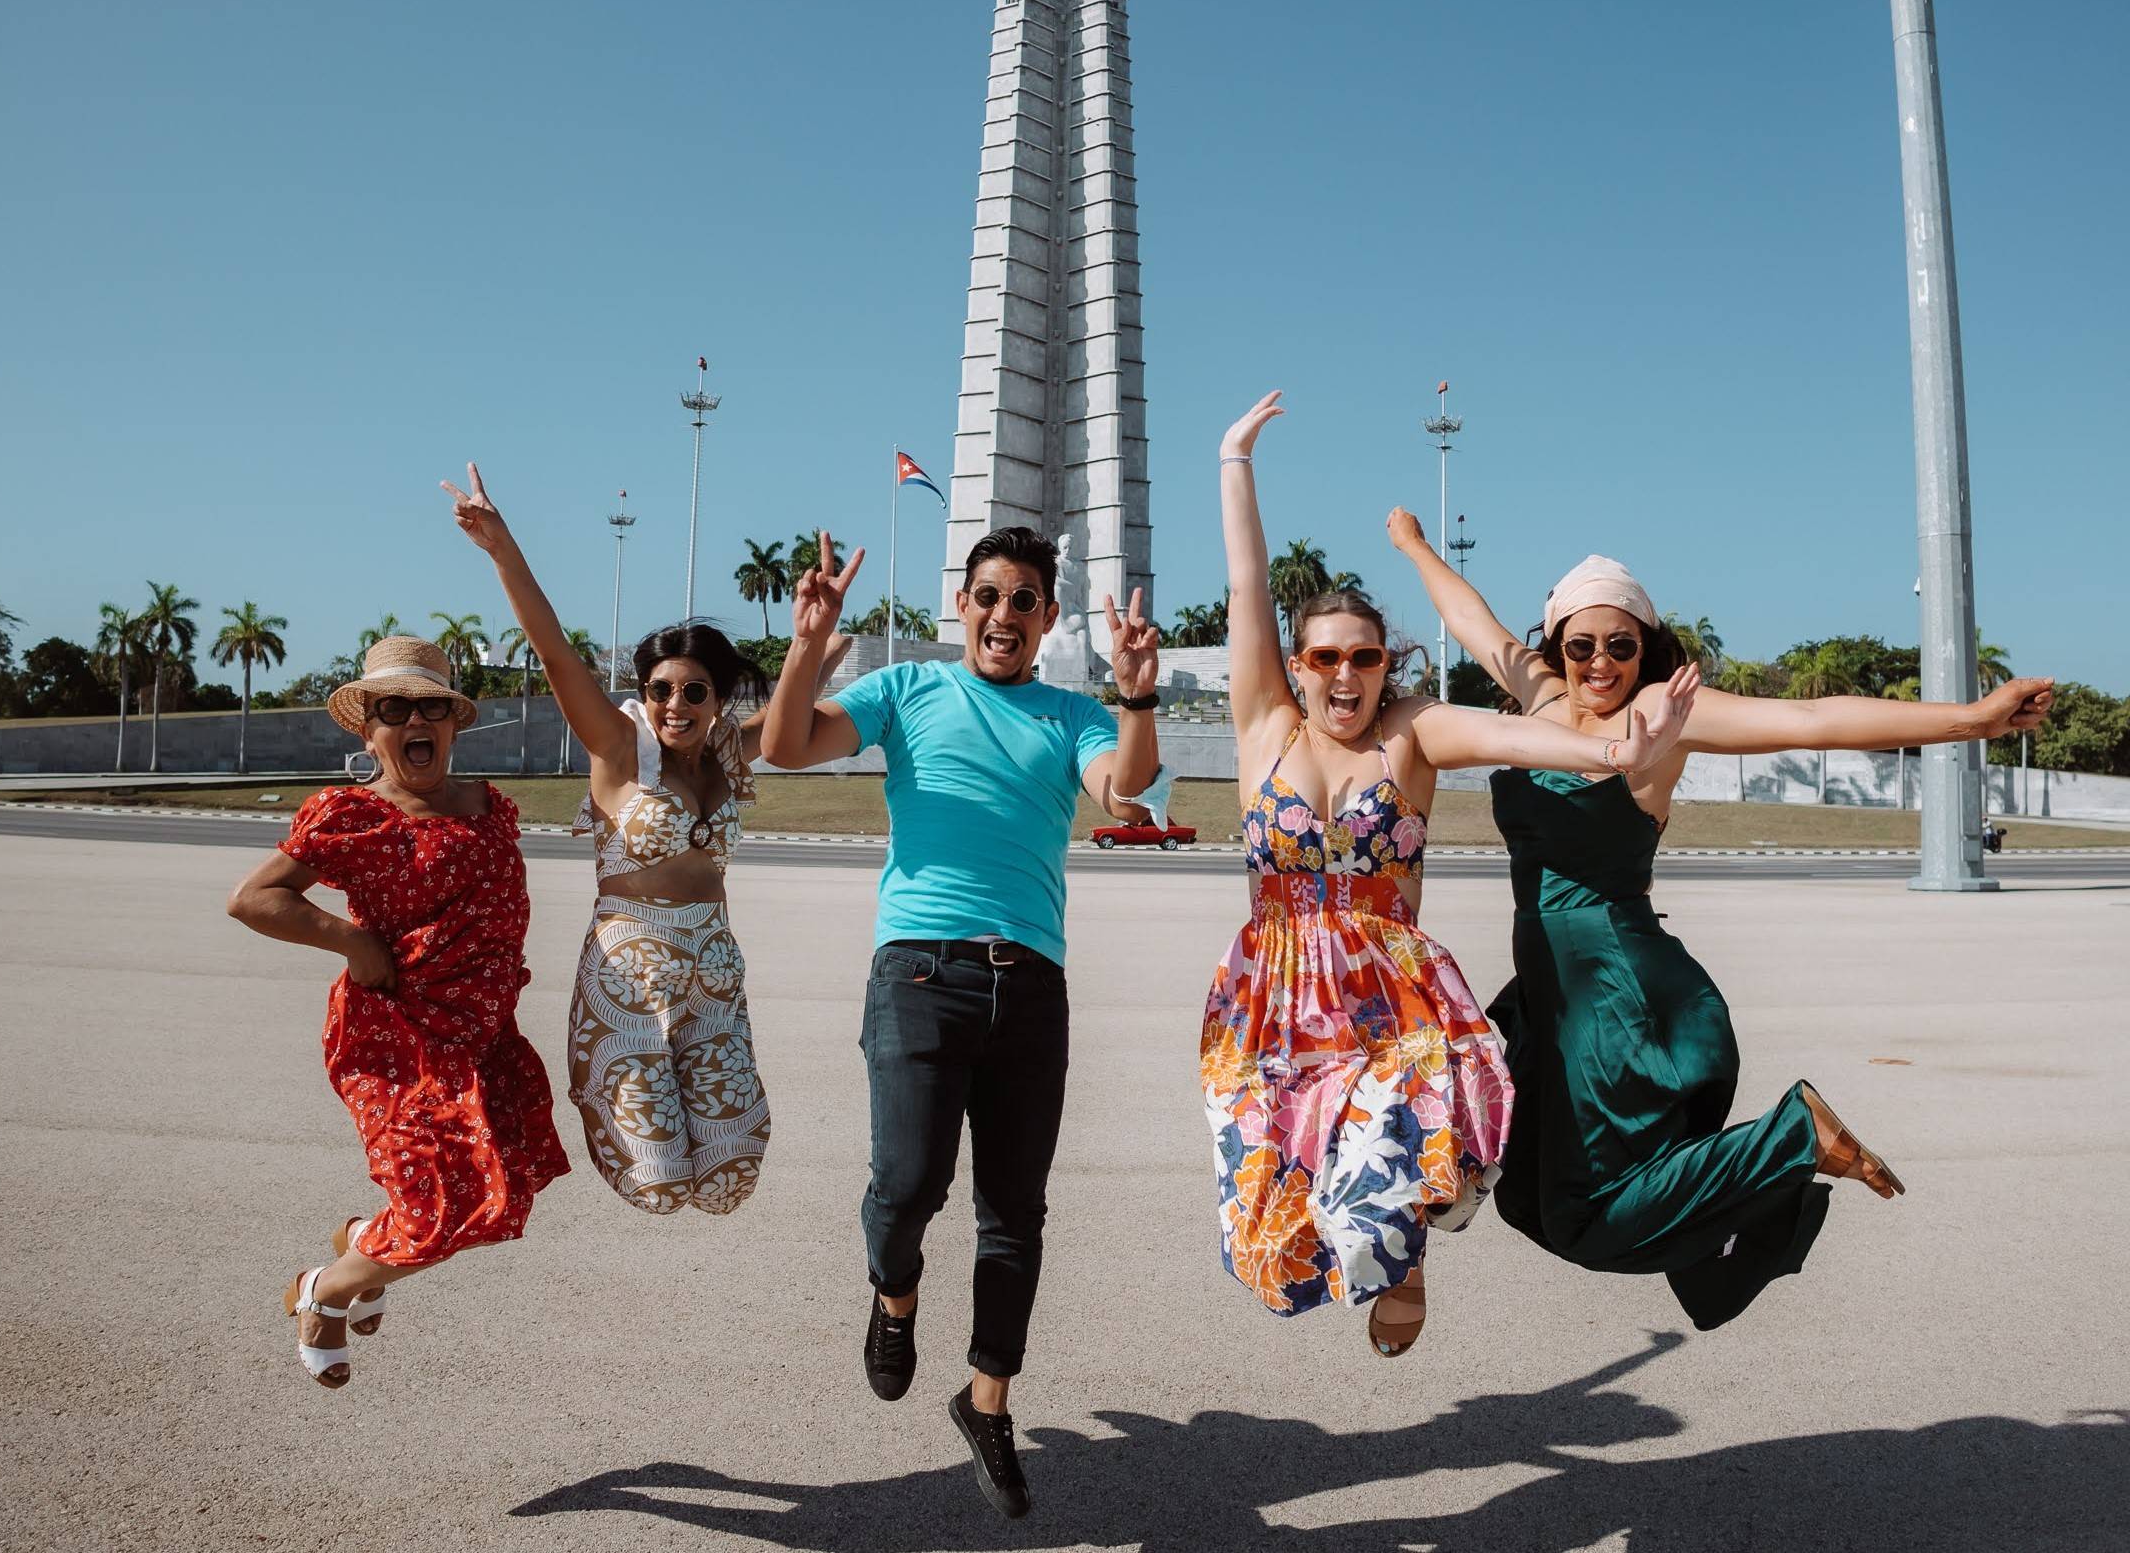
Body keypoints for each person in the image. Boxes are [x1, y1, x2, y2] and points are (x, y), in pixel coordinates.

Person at [1393, 512, 2053, 1329]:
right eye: (1581, 644)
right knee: (1528, 1203)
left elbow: (1815, 722)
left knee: (1581, 1215)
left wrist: (1973, 720)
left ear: (1648, 645)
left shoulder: (1670, 717)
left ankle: (1792, 1138)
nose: (1601, 662)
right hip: (1552, 990)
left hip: (1614, 989)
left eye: (1621, 645)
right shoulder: (1540, 700)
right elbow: (1472, 621)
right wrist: (1416, 547)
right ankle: (1777, 1152)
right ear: (1558, 645)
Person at [1209, 394, 1699, 1359]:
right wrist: (1236, 464)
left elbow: (1529, 737)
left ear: (1387, 662)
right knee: (1271, 1233)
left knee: (1392, 1160)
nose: (1345, 675)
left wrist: (1621, 754)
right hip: (1273, 994)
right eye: (1325, 657)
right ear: (1298, 666)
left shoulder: (1415, 731)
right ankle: (1382, 1242)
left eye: (1366, 657)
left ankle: (1410, 1254)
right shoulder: (1263, 725)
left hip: (1389, 989)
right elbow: (1243, 585)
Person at [761, 525, 1163, 1520]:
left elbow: (1129, 785)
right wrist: (810, 641)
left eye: (1025, 599)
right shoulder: (907, 692)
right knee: (907, 1186)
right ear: (964, 605)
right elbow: (784, 747)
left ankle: (988, 1402)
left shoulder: (1072, 715)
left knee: (1013, 1210)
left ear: (1046, 619)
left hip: (1030, 982)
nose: (1004, 615)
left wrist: (1137, 692)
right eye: (990, 595)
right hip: (920, 971)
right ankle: (894, 1298)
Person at [444, 463, 838, 1216]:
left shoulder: (730, 752)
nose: (674, 703)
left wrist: (809, 642)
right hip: (631, 979)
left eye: (694, 690)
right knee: (655, 1184)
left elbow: (794, 710)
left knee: (728, 1184)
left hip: (714, 973)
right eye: (659, 689)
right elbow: (557, 654)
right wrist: (504, 550)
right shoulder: (620, 753)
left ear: (718, 698)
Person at [227, 636, 569, 1387]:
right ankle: (323, 1290)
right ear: (368, 730)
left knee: (496, 1204)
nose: (416, 719)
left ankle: (360, 1242)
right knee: (437, 1209)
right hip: (398, 1038)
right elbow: (254, 899)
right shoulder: (353, 814)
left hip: (481, 1036)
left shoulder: (489, 806)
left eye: (432, 706)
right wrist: (349, 940)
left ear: (452, 722)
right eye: (394, 708)